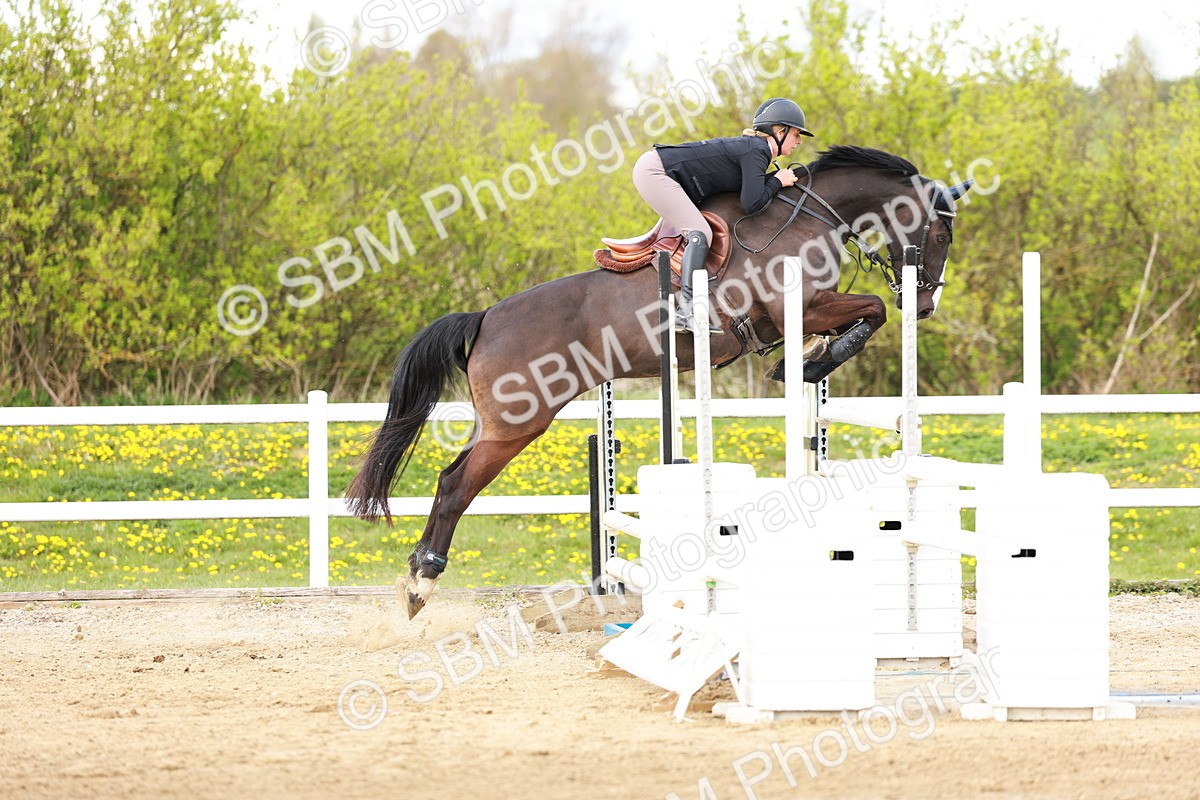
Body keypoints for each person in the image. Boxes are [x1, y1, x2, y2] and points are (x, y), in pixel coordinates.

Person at [631, 97, 815, 333]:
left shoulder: (755, 151)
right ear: (779, 132)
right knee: (700, 233)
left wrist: (772, 180)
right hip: (655, 172)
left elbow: (749, 193)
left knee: (699, 231)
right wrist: (778, 181)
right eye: (796, 134)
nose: (799, 141)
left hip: (660, 171)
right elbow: (752, 203)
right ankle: (685, 310)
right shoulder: (757, 150)